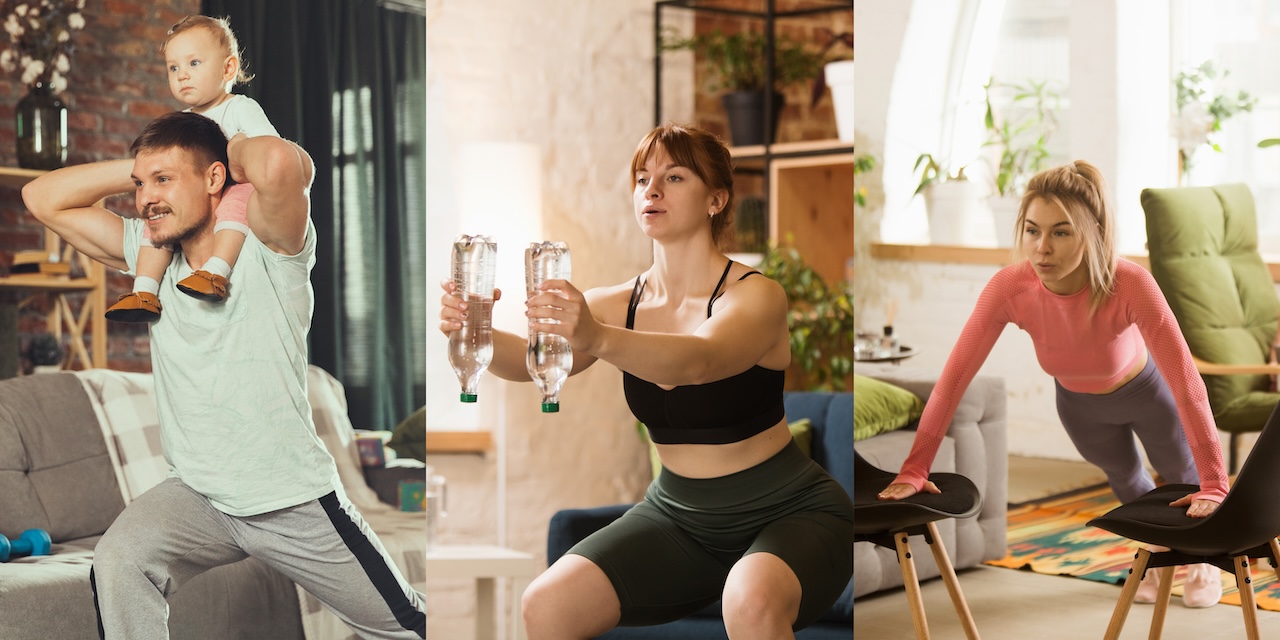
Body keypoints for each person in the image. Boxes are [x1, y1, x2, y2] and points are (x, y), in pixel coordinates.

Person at [438, 123, 854, 639]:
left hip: (792, 512)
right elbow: (529, 361)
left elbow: (698, 362)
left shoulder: (757, 296)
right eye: (642, 178)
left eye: (674, 177)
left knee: (750, 599)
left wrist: (594, 334)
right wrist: (473, 326)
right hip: (678, 517)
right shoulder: (617, 304)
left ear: (716, 199)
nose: (651, 190)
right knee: (547, 603)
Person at [22, 112, 426, 638]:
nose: (145, 199)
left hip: (291, 499)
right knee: (120, 560)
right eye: (141, 186)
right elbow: (41, 197)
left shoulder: (270, 246)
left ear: (215, 180)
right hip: (198, 497)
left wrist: (224, 149)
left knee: (406, 625)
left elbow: (279, 162)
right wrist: (150, 169)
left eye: (164, 181)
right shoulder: (148, 257)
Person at [876, 160, 1228, 608]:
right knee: (1126, 480)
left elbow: (1187, 384)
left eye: (1061, 232)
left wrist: (1216, 481)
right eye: (1032, 230)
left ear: (1093, 232)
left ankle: (1202, 558)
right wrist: (915, 467)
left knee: (1184, 478)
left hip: (1148, 394)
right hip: (1080, 407)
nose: (1042, 248)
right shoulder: (1010, 287)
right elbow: (953, 379)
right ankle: (1156, 551)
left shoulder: (1130, 283)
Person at [105, 15, 279, 323]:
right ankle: (144, 290)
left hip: (233, 188)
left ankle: (215, 271)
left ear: (228, 68)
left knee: (237, 201)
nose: (182, 75)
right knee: (155, 218)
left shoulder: (240, 108)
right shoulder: (181, 121)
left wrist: (239, 152)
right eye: (174, 68)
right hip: (193, 199)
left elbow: (271, 154)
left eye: (194, 63)